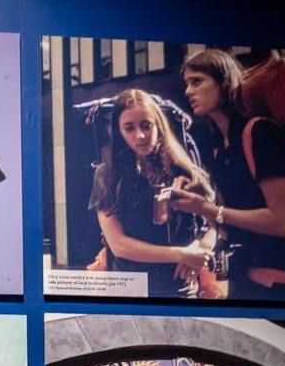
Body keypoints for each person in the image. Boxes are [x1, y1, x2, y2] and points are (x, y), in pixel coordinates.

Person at [170, 48, 285, 302]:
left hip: (280, 282)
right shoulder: (219, 145)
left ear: (224, 82)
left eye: (197, 81)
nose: (188, 92)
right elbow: (229, 220)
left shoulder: (259, 132)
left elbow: (282, 222)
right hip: (245, 277)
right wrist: (199, 202)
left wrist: (209, 209)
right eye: (187, 84)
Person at [84, 89, 218, 298]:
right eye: (129, 128)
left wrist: (201, 249)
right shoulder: (107, 174)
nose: (140, 135)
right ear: (118, 132)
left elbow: (216, 222)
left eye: (146, 125)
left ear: (159, 125)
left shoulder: (185, 169)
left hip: (182, 290)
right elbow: (119, 245)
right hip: (129, 292)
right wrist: (183, 254)